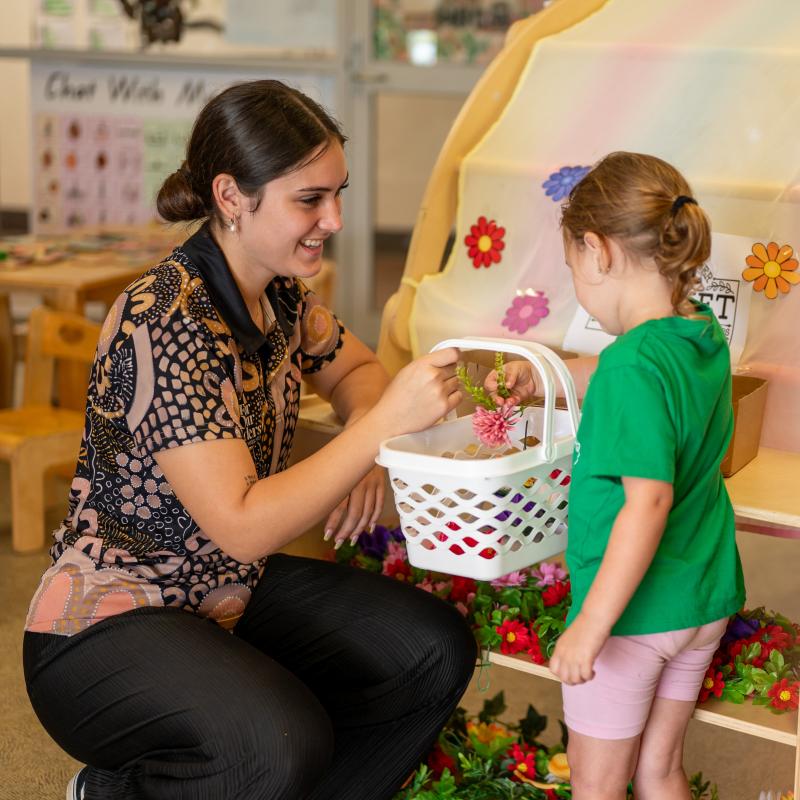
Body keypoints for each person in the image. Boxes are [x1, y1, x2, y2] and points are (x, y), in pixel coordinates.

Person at [23, 79, 477, 800]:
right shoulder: (165, 320)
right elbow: (241, 525)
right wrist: (382, 430)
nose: (333, 219)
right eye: (309, 199)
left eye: (338, 193)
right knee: (277, 741)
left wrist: (367, 420)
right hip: (109, 621)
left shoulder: (283, 297)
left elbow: (358, 369)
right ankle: (110, 794)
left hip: (222, 591)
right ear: (232, 197)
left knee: (430, 649)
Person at [486, 152, 745, 800]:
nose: (579, 287)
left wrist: (591, 627)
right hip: (700, 596)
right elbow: (617, 376)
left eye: (574, 269)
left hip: (634, 618)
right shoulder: (696, 333)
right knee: (659, 771)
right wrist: (543, 373)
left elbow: (647, 502)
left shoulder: (632, 363)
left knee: (597, 789)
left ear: (598, 252)